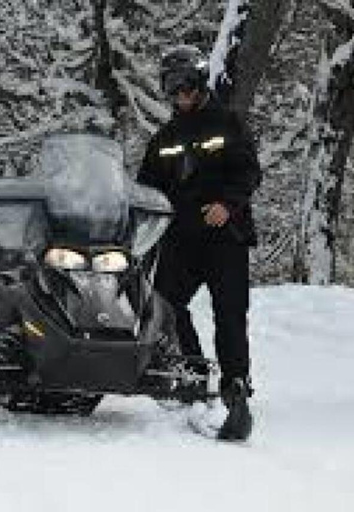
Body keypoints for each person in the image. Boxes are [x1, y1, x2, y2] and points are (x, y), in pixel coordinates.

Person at [136, 45, 261, 440]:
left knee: (229, 312)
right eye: (174, 90)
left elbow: (249, 172)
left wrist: (228, 204)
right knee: (164, 304)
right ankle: (192, 370)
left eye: (187, 88)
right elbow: (147, 187)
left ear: (200, 84)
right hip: (181, 238)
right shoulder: (164, 138)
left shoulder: (227, 124)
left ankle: (235, 382)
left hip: (226, 234)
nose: (182, 97)